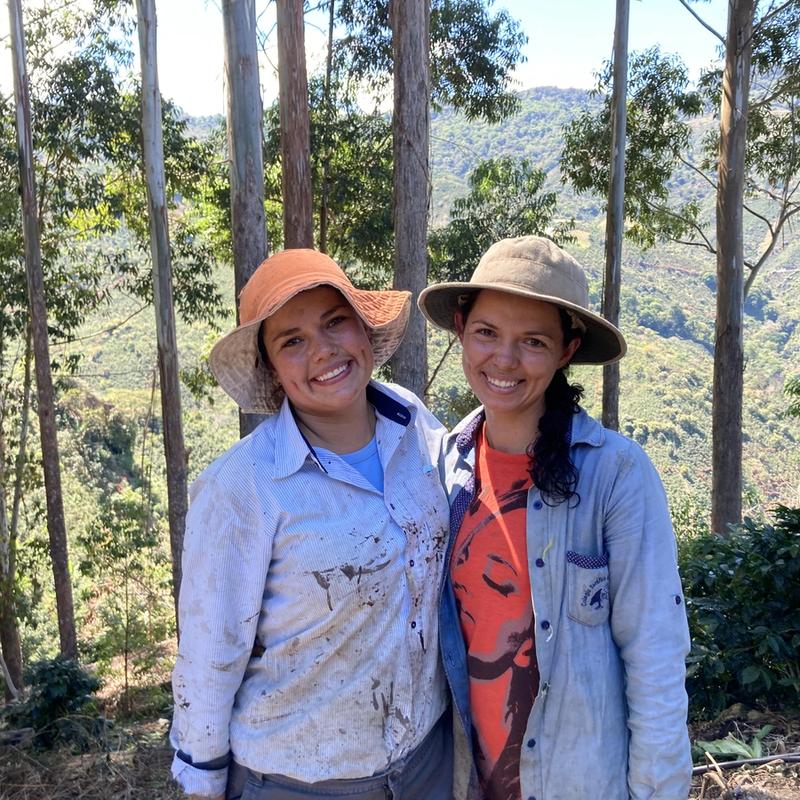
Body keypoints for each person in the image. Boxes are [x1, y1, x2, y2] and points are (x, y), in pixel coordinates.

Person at [170, 248, 453, 800]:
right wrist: (201, 774)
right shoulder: (243, 485)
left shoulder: (411, 420)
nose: (323, 350)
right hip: (298, 777)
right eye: (291, 341)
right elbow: (212, 647)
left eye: (335, 322)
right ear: (271, 368)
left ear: (364, 329)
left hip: (425, 763)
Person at [418, 235, 692, 800]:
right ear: (462, 329)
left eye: (533, 342)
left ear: (566, 351)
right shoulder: (444, 469)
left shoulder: (614, 476)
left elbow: (655, 654)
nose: (504, 360)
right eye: (487, 333)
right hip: (469, 781)